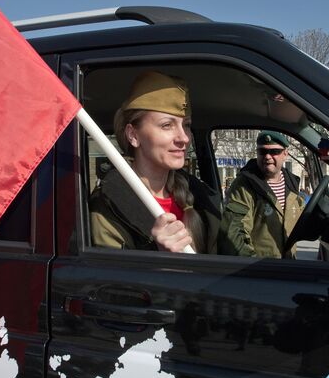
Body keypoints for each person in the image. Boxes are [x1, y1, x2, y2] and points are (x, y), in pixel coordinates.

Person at [89, 71, 221, 253]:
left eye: (187, 125)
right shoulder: (108, 208)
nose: (183, 138)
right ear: (133, 135)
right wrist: (158, 257)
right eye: (167, 125)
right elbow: (111, 278)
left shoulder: (199, 196)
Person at [218, 130, 305, 258]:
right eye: (262, 152)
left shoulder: (292, 184)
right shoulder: (244, 185)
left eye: (274, 152)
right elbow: (233, 234)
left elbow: (302, 221)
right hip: (262, 270)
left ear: (285, 154)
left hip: (289, 266)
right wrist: (255, 267)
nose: (268, 157)